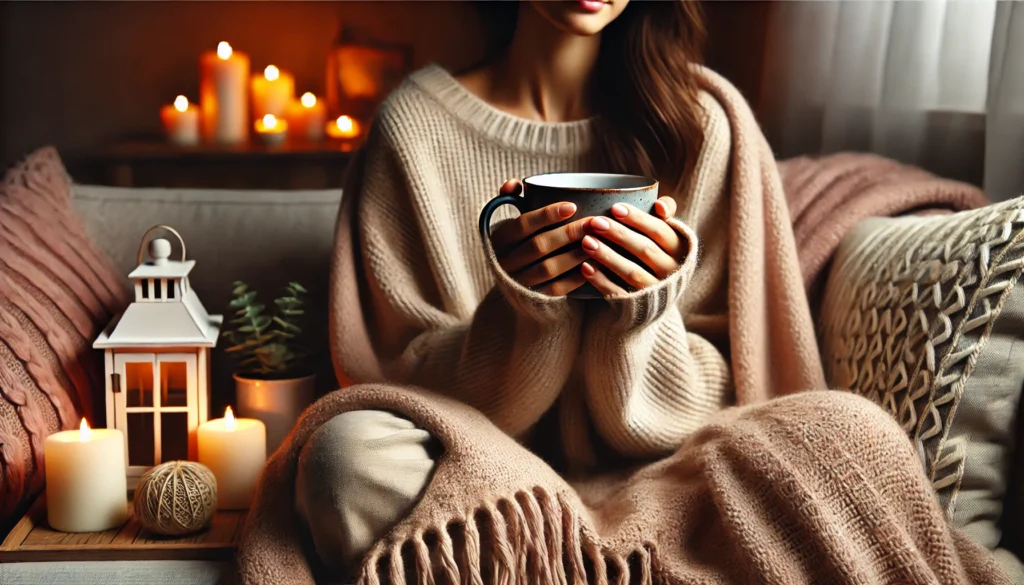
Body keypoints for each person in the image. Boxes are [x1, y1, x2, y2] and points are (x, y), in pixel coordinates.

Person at [277, 1, 1006, 583]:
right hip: (487, 485)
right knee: (345, 459)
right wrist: (526, 313)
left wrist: (643, 316)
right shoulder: (413, 130)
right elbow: (397, 380)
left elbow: (741, 389)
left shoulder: (704, 121)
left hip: (668, 482)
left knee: (852, 430)